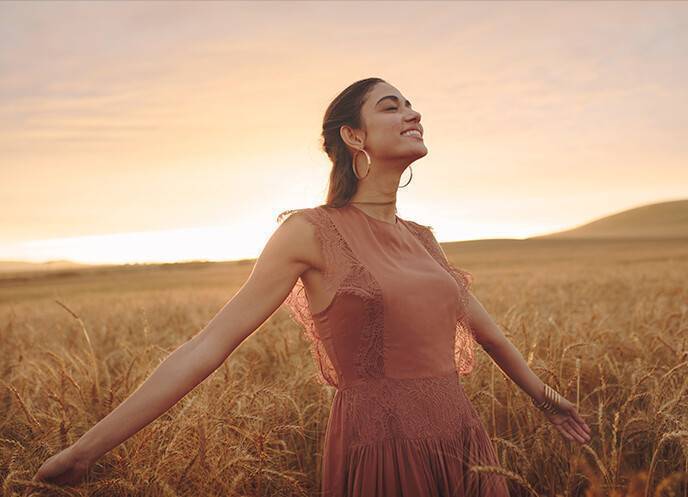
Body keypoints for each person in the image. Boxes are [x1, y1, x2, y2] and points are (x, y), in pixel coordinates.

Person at [33, 78, 592, 495]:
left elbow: (488, 335)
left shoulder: (423, 239)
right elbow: (207, 346)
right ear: (354, 134)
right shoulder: (309, 231)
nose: (413, 112)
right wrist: (87, 450)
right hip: (382, 446)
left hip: (463, 441)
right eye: (390, 106)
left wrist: (549, 402)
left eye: (412, 104)